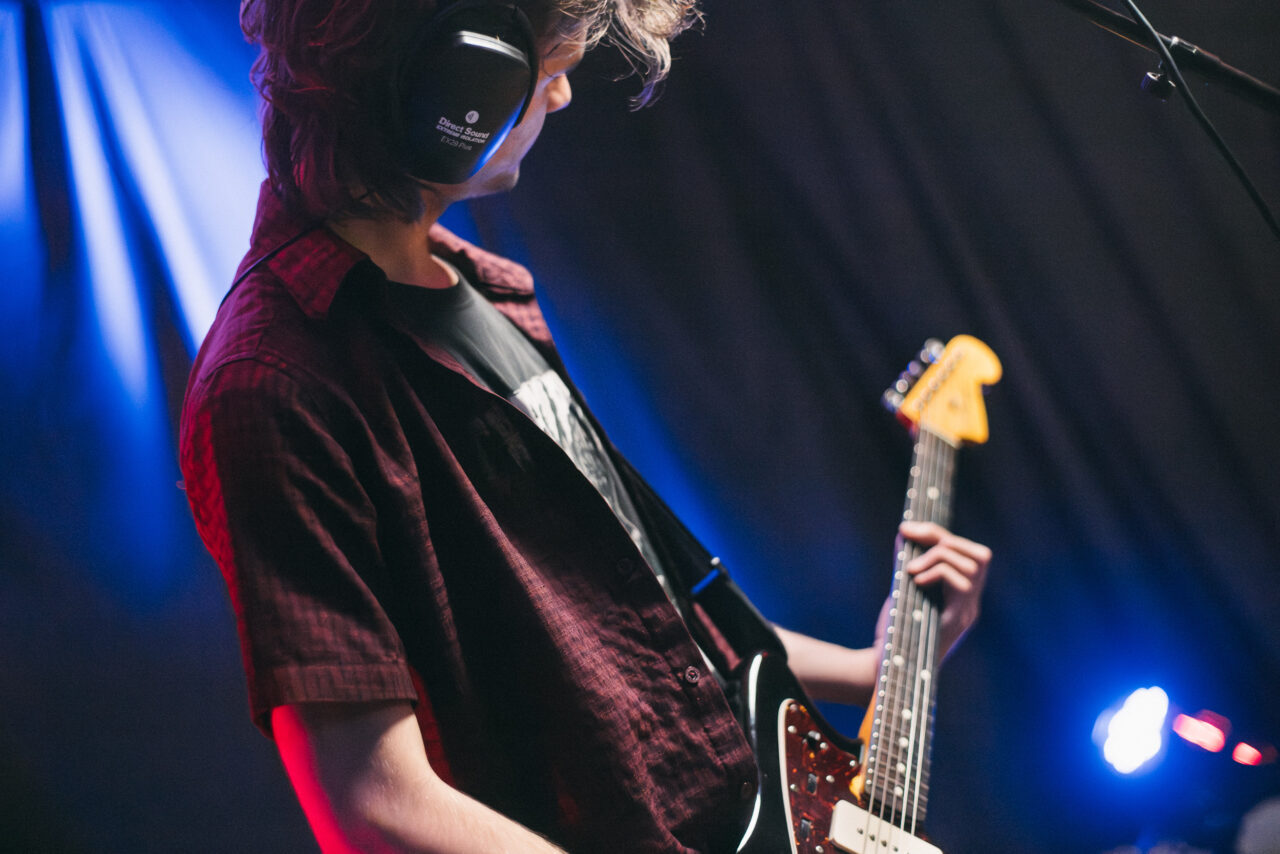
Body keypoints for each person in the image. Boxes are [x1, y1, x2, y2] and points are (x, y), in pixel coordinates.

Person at [179, 1, 992, 851]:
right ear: (462, 87)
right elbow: (377, 805)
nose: (562, 97)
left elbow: (639, 624)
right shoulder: (272, 385)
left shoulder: (480, 287)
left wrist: (870, 670)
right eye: (549, 70)